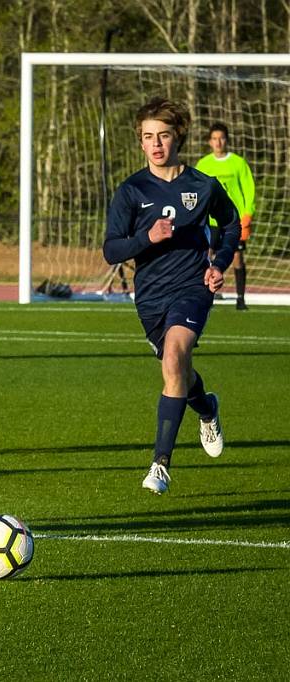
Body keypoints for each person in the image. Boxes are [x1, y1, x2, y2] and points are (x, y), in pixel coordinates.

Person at [103, 97, 239, 495]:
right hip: (150, 298)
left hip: (192, 287)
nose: (156, 144)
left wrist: (219, 264)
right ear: (140, 142)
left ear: (177, 136)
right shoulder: (131, 191)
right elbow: (111, 250)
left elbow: (230, 227)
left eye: (163, 135)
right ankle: (207, 407)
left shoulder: (203, 185)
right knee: (178, 372)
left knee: (176, 358)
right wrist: (147, 237)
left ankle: (160, 464)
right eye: (148, 137)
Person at [195, 122, 256, 310]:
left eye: (221, 138)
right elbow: (197, 191)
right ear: (209, 142)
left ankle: (240, 298)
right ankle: (205, 294)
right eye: (214, 139)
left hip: (233, 220)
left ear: (226, 140)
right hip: (211, 220)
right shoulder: (203, 164)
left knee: (237, 256)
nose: (218, 142)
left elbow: (249, 189)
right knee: (207, 255)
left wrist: (247, 214)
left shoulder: (238, 163)